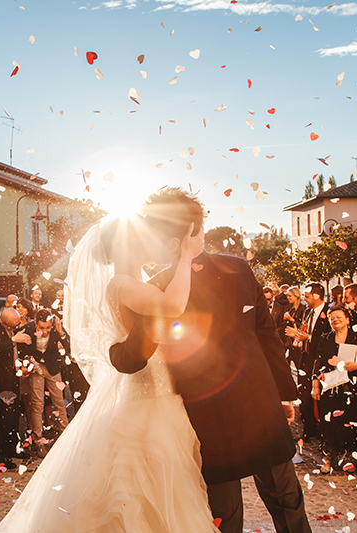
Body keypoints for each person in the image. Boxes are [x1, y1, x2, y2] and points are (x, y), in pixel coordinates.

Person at [0, 210, 220, 532]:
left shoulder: (136, 282)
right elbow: (170, 306)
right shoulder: (122, 283)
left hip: (159, 392)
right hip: (148, 398)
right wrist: (185, 257)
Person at [111, 188, 310, 533]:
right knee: (256, 507)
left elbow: (265, 334)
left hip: (232, 412)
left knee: (247, 509)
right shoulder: (181, 284)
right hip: (230, 414)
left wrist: (283, 394)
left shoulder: (205, 276)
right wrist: (283, 394)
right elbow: (267, 336)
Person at [311, 306, 357, 473]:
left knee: (351, 422)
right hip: (330, 388)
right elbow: (317, 365)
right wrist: (315, 387)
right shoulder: (325, 339)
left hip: (353, 388)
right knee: (329, 424)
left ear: (348, 319)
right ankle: (328, 457)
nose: (335, 320)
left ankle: (349, 457)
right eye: (332, 318)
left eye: (339, 317)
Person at [20, 308, 71, 457]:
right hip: (36, 367)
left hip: (53, 367)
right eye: (42, 328)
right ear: (35, 323)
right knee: (37, 403)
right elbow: (21, 350)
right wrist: (28, 363)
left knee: (59, 401)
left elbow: (68, 347)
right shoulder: (27, 329)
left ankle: (65, 433)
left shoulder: (57, 327)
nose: (46, 331)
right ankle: (38, 440)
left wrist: (61, 333)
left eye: (48, 327)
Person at [0, 307, 32, 468]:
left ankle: (13, 448)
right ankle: (1, 456)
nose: (14, 329)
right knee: (6, 418)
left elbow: (18, 350)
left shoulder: (13, 329)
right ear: (3, 322)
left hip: (13, 377)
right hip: (1, 380)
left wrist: (23, 364)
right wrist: (12, 340)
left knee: (14, 417)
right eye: (12, 326)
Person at [288, 283, 330, 443]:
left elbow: (330, 340)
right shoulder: (307, 311)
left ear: (317, 296)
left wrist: (310, 339)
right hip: (305, 358)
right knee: (304, 396)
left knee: (321, 397)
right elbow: (305, 330)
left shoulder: (328, 312)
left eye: (306, 296)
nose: (304, 299)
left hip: (321, 361)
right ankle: (309, 429)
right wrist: (298, 334)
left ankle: (323, 430)